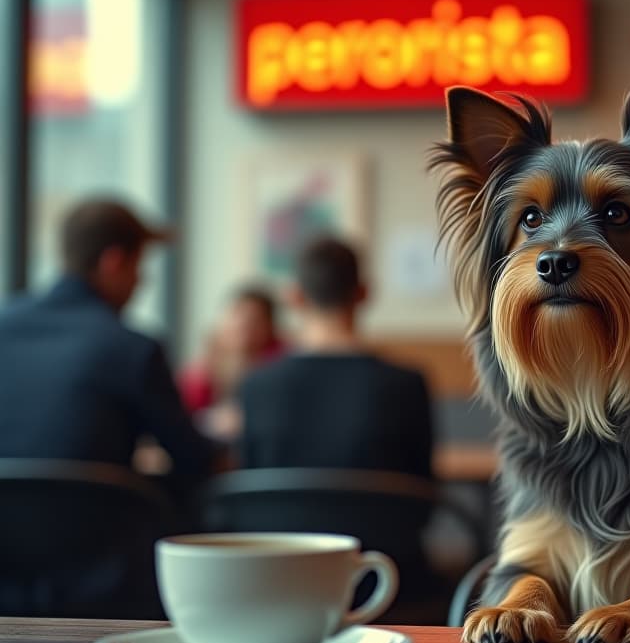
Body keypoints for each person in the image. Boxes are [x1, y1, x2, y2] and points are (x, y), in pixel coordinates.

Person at [0, 198, 216, 478]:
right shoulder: (132, 349)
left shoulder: (5, 326)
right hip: (93, 519)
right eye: (138, 266)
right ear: (112, 262)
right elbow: (194, 458)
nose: (141, 281)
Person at [237, 237, 433, 478]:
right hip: (375, 517)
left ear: (294, 297)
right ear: (363, 293)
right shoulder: (407, 386)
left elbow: (250, 483)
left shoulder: (256, 386)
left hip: (280, 517)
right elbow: (422, 489)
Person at [178, 286, 285, 414]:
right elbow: (183, 409)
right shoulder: (206, 363)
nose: (242, 325)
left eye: (254, 320)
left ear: (269, 327)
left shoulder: (280, 360)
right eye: (237, 315)